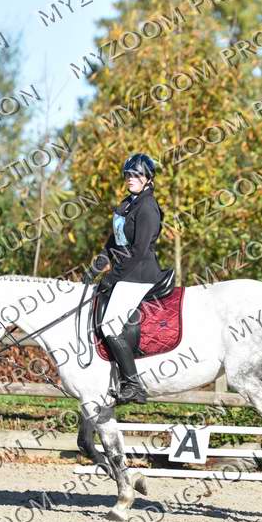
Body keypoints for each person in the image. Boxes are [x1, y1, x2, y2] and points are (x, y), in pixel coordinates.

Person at [83, 153, 164, 405]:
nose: (130, 178)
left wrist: (112, 277)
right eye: (128, 174)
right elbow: (114, 242)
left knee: (109, 325)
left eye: (136, 175)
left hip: (140, 275)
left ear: (148, 178)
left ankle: (133, 385)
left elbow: (139, 251)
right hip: (126, 273)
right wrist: (95, 268)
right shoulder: (127, 204)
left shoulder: (148, 207)